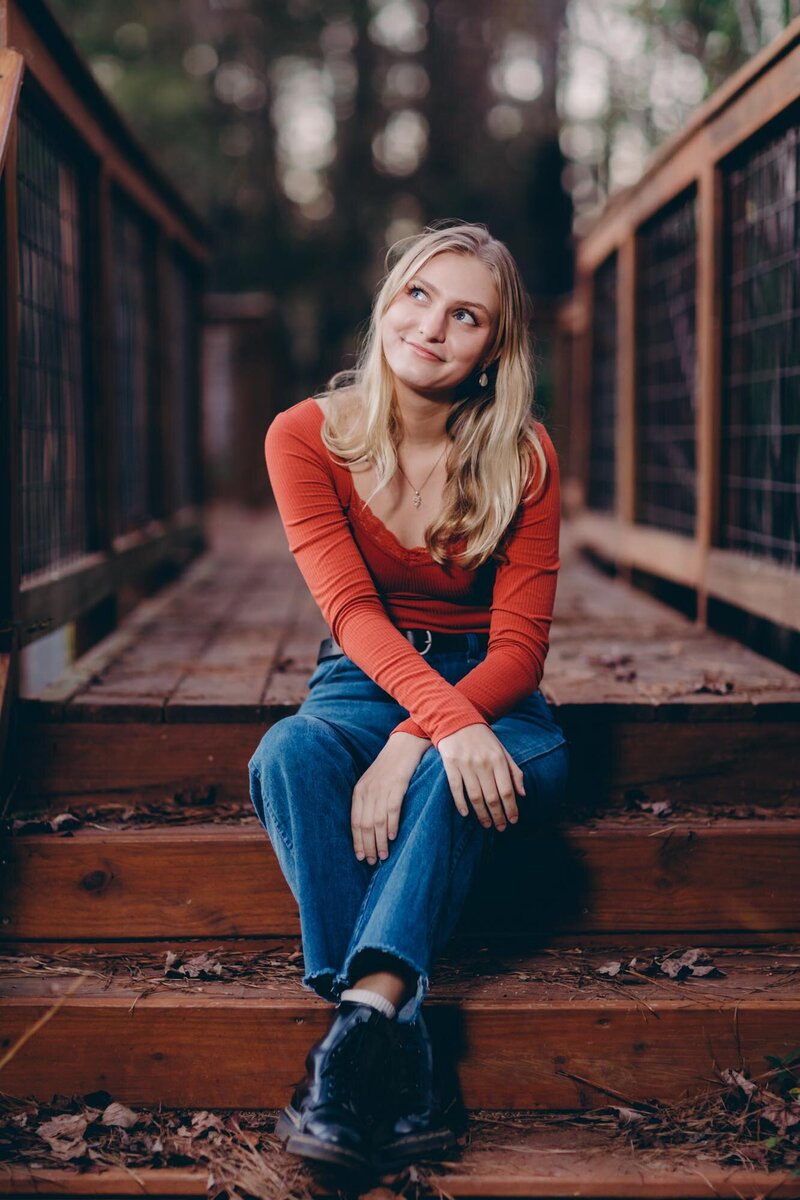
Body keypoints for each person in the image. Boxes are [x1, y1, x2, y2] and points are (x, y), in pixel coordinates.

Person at [248, 220, 568, 1177]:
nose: (431, 325)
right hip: (361, 675)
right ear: (388, 300)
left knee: (450, 775)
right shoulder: (306, 435)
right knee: (287, 755)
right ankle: (401, 1032)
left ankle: (355, 1040)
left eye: (465, 315)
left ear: (492, 353)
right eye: (419, 295)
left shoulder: (527, 456)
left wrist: (420, 741)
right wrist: (420, 729)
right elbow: (351, 613)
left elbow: (520, 648)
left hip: (496, 690)